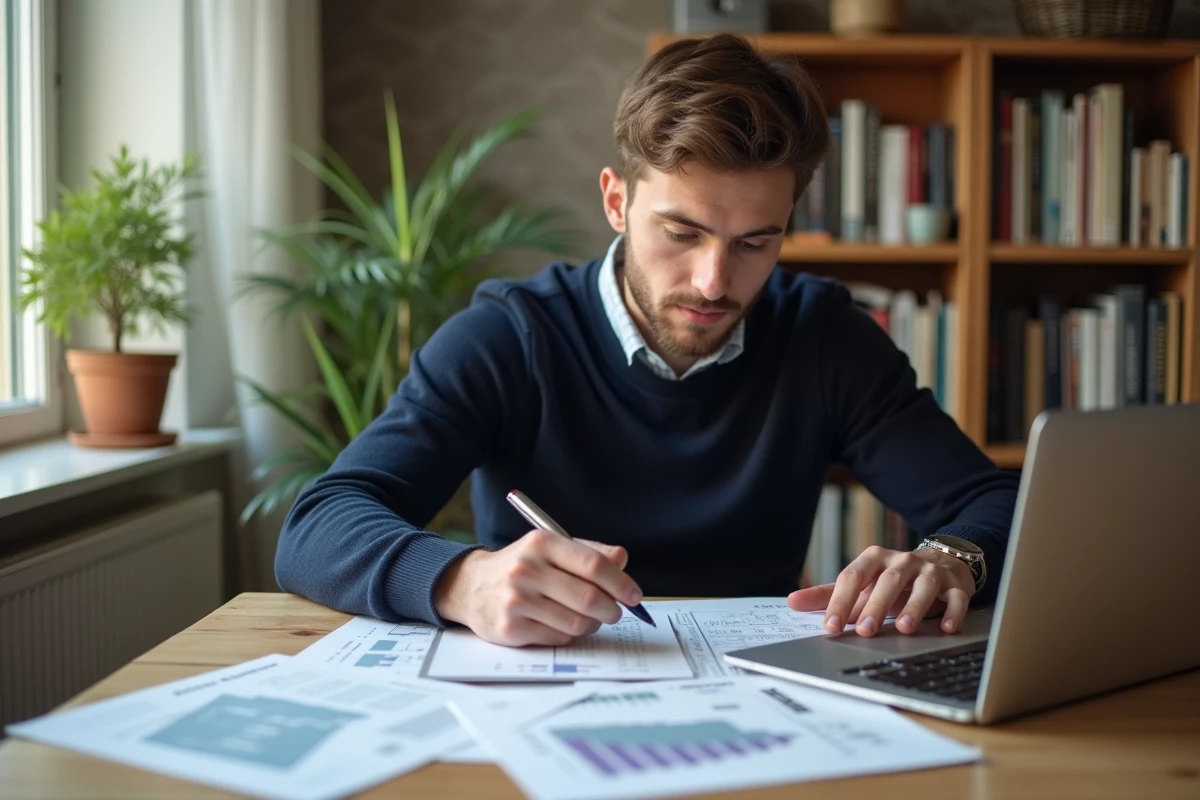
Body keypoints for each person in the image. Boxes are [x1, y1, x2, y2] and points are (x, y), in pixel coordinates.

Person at [275, 33, 1018, 648]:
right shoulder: (508, 337)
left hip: (759, 703)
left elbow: (997, 503)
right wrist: (462, 581)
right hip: (537, 701)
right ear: (615, 200)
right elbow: (319, 524)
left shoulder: (824, 336)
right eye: (682, 233)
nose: (714, 281)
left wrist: (952, 559)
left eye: (757, 242)